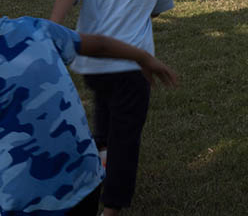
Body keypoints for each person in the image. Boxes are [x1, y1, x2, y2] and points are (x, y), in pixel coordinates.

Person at [50, 0, 174, 216]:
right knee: (126, 138)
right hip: (133, 70)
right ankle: (112, 207)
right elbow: (160, 7)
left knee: (104, 121)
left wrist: (52, 29)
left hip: (92, 67)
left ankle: (97, 163)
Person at [0, 15, 177, 216]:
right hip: (86, 181)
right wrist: (143, 57)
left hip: (27, 204)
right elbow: (100, 44)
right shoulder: (33, 28)